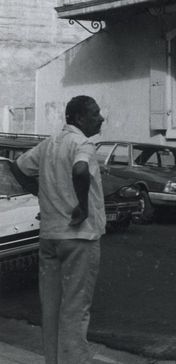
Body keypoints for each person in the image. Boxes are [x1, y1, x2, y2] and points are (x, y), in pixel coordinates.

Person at [12, 95, 106, 363]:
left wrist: (41, 195)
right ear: (78, 118)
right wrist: (84, 208)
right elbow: (80, 170)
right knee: (75, 309)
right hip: (79, 237)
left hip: (50, 236)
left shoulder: (49, 144)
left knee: (51, 307)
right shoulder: (83, 143)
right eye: (95, 113)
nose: (101, 118)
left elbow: (18, 168)